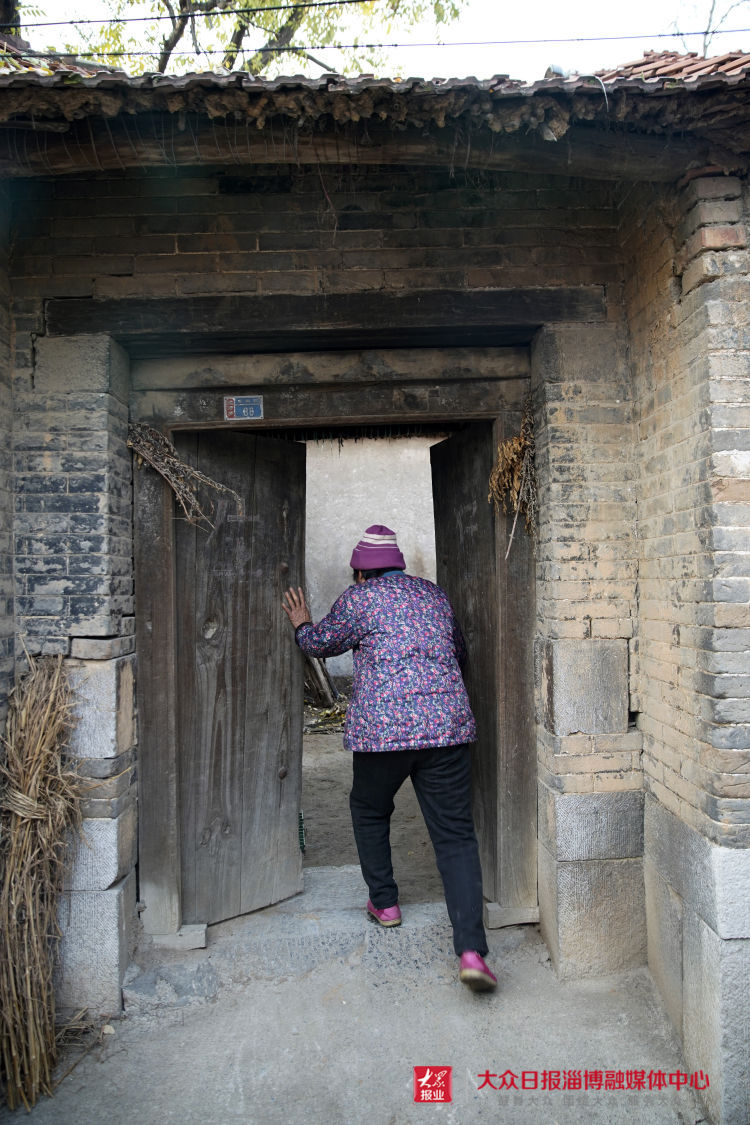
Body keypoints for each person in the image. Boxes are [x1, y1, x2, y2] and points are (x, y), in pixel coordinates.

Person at [282, 523, 496, 992]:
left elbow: (320, 645)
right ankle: (471, 952)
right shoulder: (432, 595)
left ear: (361, 573)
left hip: (384, 733)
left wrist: (301, 621)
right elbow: (460, 652)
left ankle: (386, 903)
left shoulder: (359, 600)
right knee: (456, 836)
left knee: (369, 810)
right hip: (446, 728)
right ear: (398, 565)